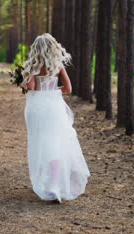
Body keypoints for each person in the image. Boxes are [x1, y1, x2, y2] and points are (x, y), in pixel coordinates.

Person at [22, 33, 90, 203]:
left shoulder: (33, 67)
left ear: (36, 49)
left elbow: (30, 87)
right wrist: (52, 91)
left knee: (40, 143)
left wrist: (23, 80)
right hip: (54, 107)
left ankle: (48, 184)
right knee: (55, 143)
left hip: (37, 107)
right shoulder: (58, 66)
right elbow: (68, 89)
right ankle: (55, 184)